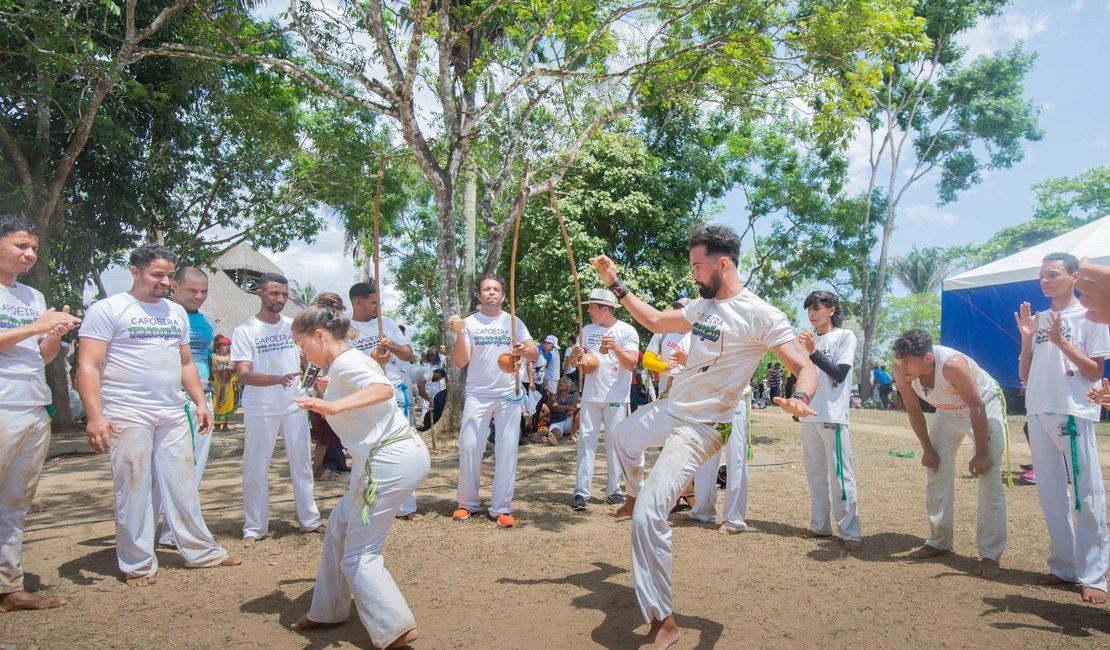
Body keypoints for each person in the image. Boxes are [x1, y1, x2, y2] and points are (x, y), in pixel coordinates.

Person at [602, 224, 817, 649]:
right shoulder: (703, 306)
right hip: (672, 409)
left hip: (703, 426)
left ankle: (664, 623)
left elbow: (803, 366)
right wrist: (616, 284)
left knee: (649, 516)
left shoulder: (761, 315)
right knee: (621, 438)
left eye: (698, 266)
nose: (694, 275)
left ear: (722, 263)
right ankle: (632, 494)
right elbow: (656, 320)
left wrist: (802, 396)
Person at [77, 243, 239, 587]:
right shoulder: (109, 309)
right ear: (135, 272)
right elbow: (88, 365)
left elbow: (184, 363)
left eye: (168, 275)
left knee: (183, 483)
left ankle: (200, 551)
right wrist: (95, 416)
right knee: (133, 486)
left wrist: (199, 401)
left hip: (172, 410)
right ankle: (137, 563)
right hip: (126, 412)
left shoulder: (175, 313)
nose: (165, 281)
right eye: (157, 275)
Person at [288, 294, 429, 649]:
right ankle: (327, 611)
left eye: (302, 345)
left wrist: (331, 403)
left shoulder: (346, 363)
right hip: (389, 458)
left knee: (360, 555)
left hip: (388, 462)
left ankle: (395, 628)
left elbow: (381, 389)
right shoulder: (343, 365)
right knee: (338, 526)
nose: (302, 354)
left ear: (320, 335)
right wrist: (331, 393)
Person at [1016, 252, 1109, 604]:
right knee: (1051, 495)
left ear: (1074, 277)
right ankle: (1063, 566)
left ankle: (1095, 576)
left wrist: (1063, 343)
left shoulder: (1091, 315)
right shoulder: (1039, 318)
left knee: (1087, 496)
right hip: (1038, 411)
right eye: (1042, 275)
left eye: (1053, 274)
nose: (1045, 280)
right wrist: (1028, 337)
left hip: (1072, 413)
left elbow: (1095, 371)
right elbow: (1025, 374)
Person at [0, 214, 80, 611]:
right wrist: (36, 326)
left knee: (16, 501)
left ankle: (9, 586)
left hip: (31, 405)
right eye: (20, 246)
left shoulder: (31, 297)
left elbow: (40, 356)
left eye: (33, 247)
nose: (29, 254)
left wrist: (52, 337)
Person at [891, 328, 1007, 578]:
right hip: (948, 412)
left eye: (908, 362)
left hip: (984, 407)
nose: (903, 367)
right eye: (900, 361)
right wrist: (928, 449)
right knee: (936, 468)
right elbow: (913, 408)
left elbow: (976, 404)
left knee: (989, 478)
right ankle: (939, 540)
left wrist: (982, 452)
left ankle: (990, 554)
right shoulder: (901, 368)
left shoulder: (952, 365)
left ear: (928, 359)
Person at [231, 272, 323, 545]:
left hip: (294, 405)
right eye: (273, 293)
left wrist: (313, 374)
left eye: (283, 294)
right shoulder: (245, 330)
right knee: (256, 467)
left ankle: (309, 520)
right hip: (260, 408)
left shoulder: (292, 327)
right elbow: (244, 374)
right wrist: (277, 379)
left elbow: (308, 358)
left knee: (302, 465)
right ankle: (254, 527)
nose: (280, 299)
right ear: (260, 293)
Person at [446, 274, 538, 527]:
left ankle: (501, 508)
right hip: (478, 393)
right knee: (469, 445)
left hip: (509, 393)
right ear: (479, 295)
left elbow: (534, 351)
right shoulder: (468, 323)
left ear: (503, 295)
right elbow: (460, 362)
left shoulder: (513, 322)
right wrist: (459, 334)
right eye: (486, 289)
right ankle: (467, 503)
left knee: (507, 449)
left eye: (496, 289)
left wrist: (522, 350)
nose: (491, 293)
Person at [152, 266, 215, 548]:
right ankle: (151, 527)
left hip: (202, 396)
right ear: (174, 286)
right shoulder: (160, 314)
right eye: (192, 291)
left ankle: (174, 530)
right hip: (171, 397)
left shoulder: (203, 321)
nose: (199, 296)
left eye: (204, 291)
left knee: (194, 466)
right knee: (162, 468)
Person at [796, 291, 862, 551]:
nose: (811, 313)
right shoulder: (805, 339)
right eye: (808, 309)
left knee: (840, 476)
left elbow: (839, 373)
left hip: (832, 415)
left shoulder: (844, 337)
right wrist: (798, 402)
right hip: (809, 414)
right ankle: (819, 525)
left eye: (816, 308)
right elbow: (799, 374)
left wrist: (813, 352)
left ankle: (850, 531)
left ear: (832, 310)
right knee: (815, 474)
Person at [565, 288, 640, 511]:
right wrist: (574, 357)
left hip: (617, 396)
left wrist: (614, 347)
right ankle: (581, 492)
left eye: (592, 307)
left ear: (605, 309)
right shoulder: (586, 330)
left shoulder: (627, 331)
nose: (589, 311)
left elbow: (632, 364)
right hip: (590, 396)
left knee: (614, 445)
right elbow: (572, 365)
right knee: (586, 443)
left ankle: (614, 490)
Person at [211, 336, 237, 431]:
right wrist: (217, 369)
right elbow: (211, 369)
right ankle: (216, 422)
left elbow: (236, 369)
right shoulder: (214, 357)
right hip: (217, 383)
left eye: (227, 345)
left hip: (229, 384)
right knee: (216, 402)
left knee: (228, 402)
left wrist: (230, 368)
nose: (226, 347)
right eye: (224, 345)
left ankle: (225, 424)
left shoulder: (231, 357)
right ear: (219, 346)